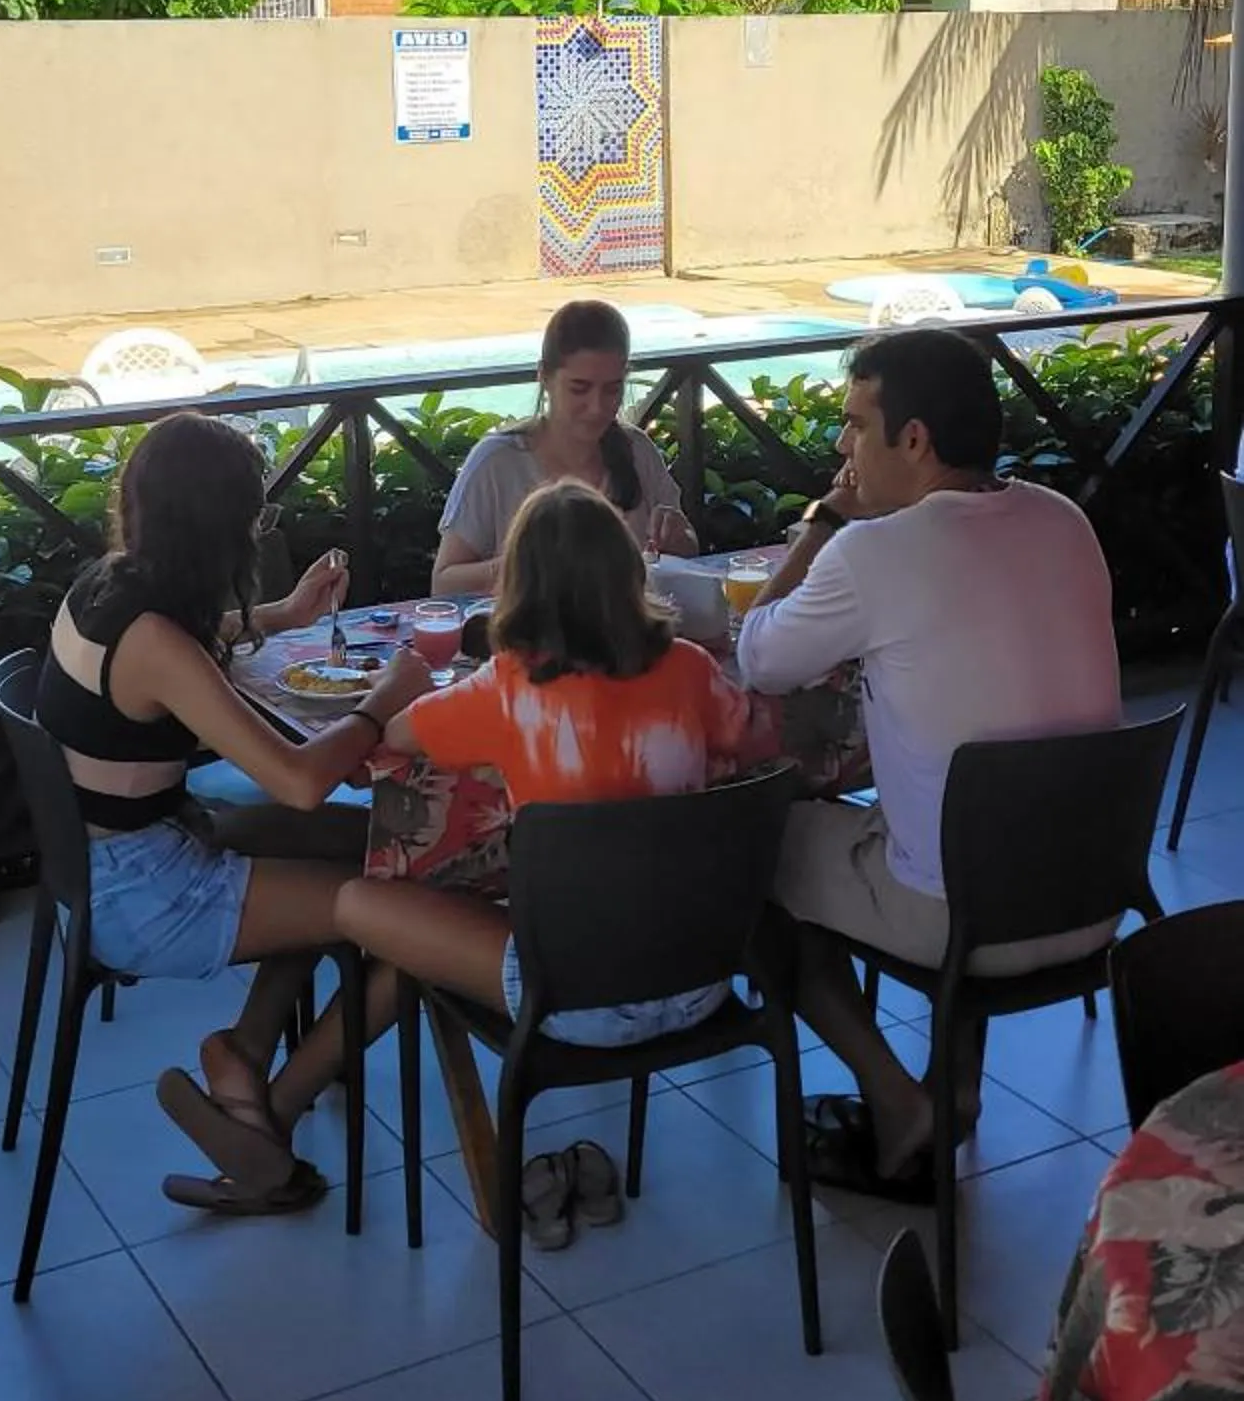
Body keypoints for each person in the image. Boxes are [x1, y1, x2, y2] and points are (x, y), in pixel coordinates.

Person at [737, 327, 1121, 1199]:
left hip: (966, 921)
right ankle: (957, 1090)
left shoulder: (872, 551)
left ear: (913, 441)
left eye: (854, 425)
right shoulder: (1065, 521)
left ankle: (899, 1099)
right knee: (961, 820)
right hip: (1096, 898)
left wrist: (822, 523)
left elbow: (758, 657)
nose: (841, 446)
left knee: (758, 849)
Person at [37, 411, 431, 1214]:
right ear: (220, 526)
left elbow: (172, 656)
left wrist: (282, 616)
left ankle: (242, 1058)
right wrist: (383, 703)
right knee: (414, 908)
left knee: (351, 861)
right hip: (146, 895)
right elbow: (296, 782)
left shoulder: (108, 583)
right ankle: (271, 1117)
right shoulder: (155, 636)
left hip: (99, 864)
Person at [331, 478, 757, 1058]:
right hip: (704, 976)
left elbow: (398, 734)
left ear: (518, 587)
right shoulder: (691, 667)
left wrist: (388, 688)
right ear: (630, 571)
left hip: (577, 1002)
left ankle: (287, 1093)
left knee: (360, 901)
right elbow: (747, 739)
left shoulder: (510, 687)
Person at [432, 298, 695, 597]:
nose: (597, 407)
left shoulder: (637, 451)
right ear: (544, 377)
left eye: (612, 389)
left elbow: (686, 550)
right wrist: (525, 564)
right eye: (579, 388)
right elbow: (444, 583)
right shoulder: (497, 462)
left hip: (627, 637)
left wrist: (677, 537)